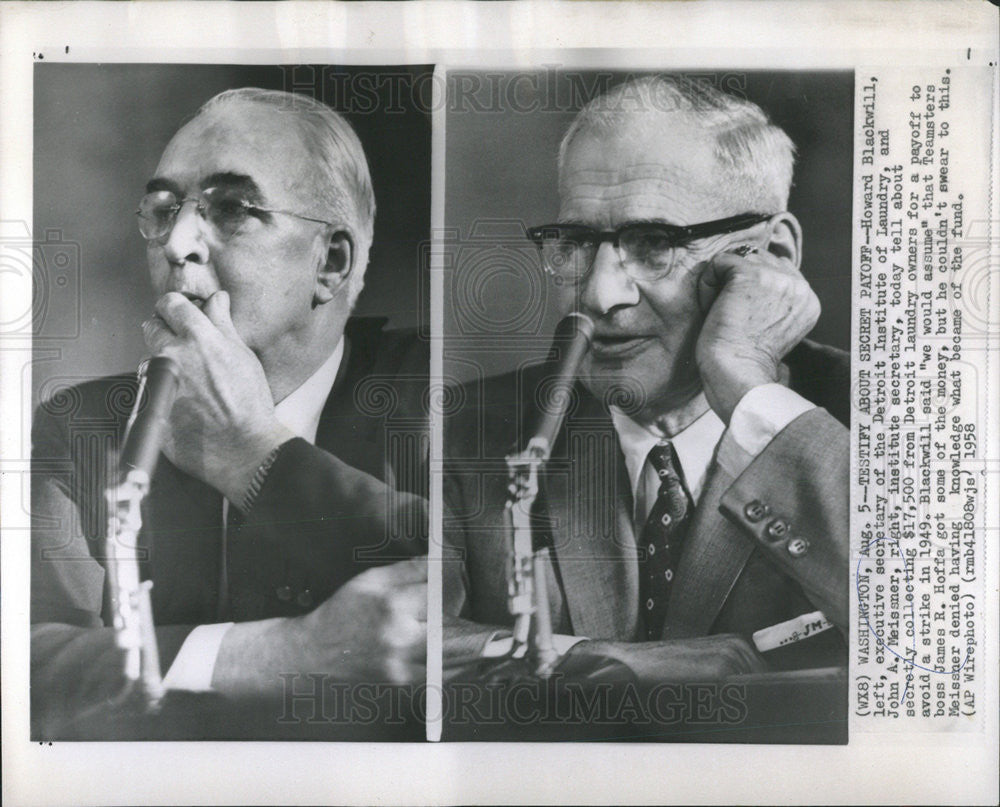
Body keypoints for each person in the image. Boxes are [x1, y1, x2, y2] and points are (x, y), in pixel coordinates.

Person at [31, 88, 428, 731]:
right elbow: (31, 662)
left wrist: (253, 450)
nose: (177, 243)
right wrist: (268, 656)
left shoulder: (441, 397)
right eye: (164, 210)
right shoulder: (79, 426)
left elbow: (466, 600)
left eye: (233, 209)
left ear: (330, 262)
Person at [444, 76, 849, 682]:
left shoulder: (893, 415)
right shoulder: (453, 431)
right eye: (577, 243)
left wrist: (747, 385)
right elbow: (394, 650)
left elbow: (937, 640)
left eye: (655, 243)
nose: (600, 294)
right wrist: (622, 664)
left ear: (773, 255)